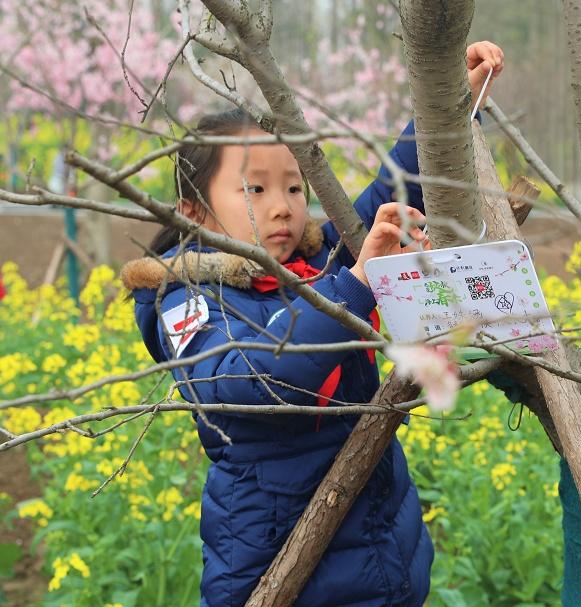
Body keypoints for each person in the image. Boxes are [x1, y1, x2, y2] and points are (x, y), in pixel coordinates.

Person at [121, 42, 504, 607]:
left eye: (294, 187)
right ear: (195, 212)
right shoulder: (185, 296)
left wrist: (447, 104)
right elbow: (244, 381)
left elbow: (391, 195)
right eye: (255, 189)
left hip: (378, 543)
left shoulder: (316, 265)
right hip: (279, 563)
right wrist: (353, 284)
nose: (282, 206)